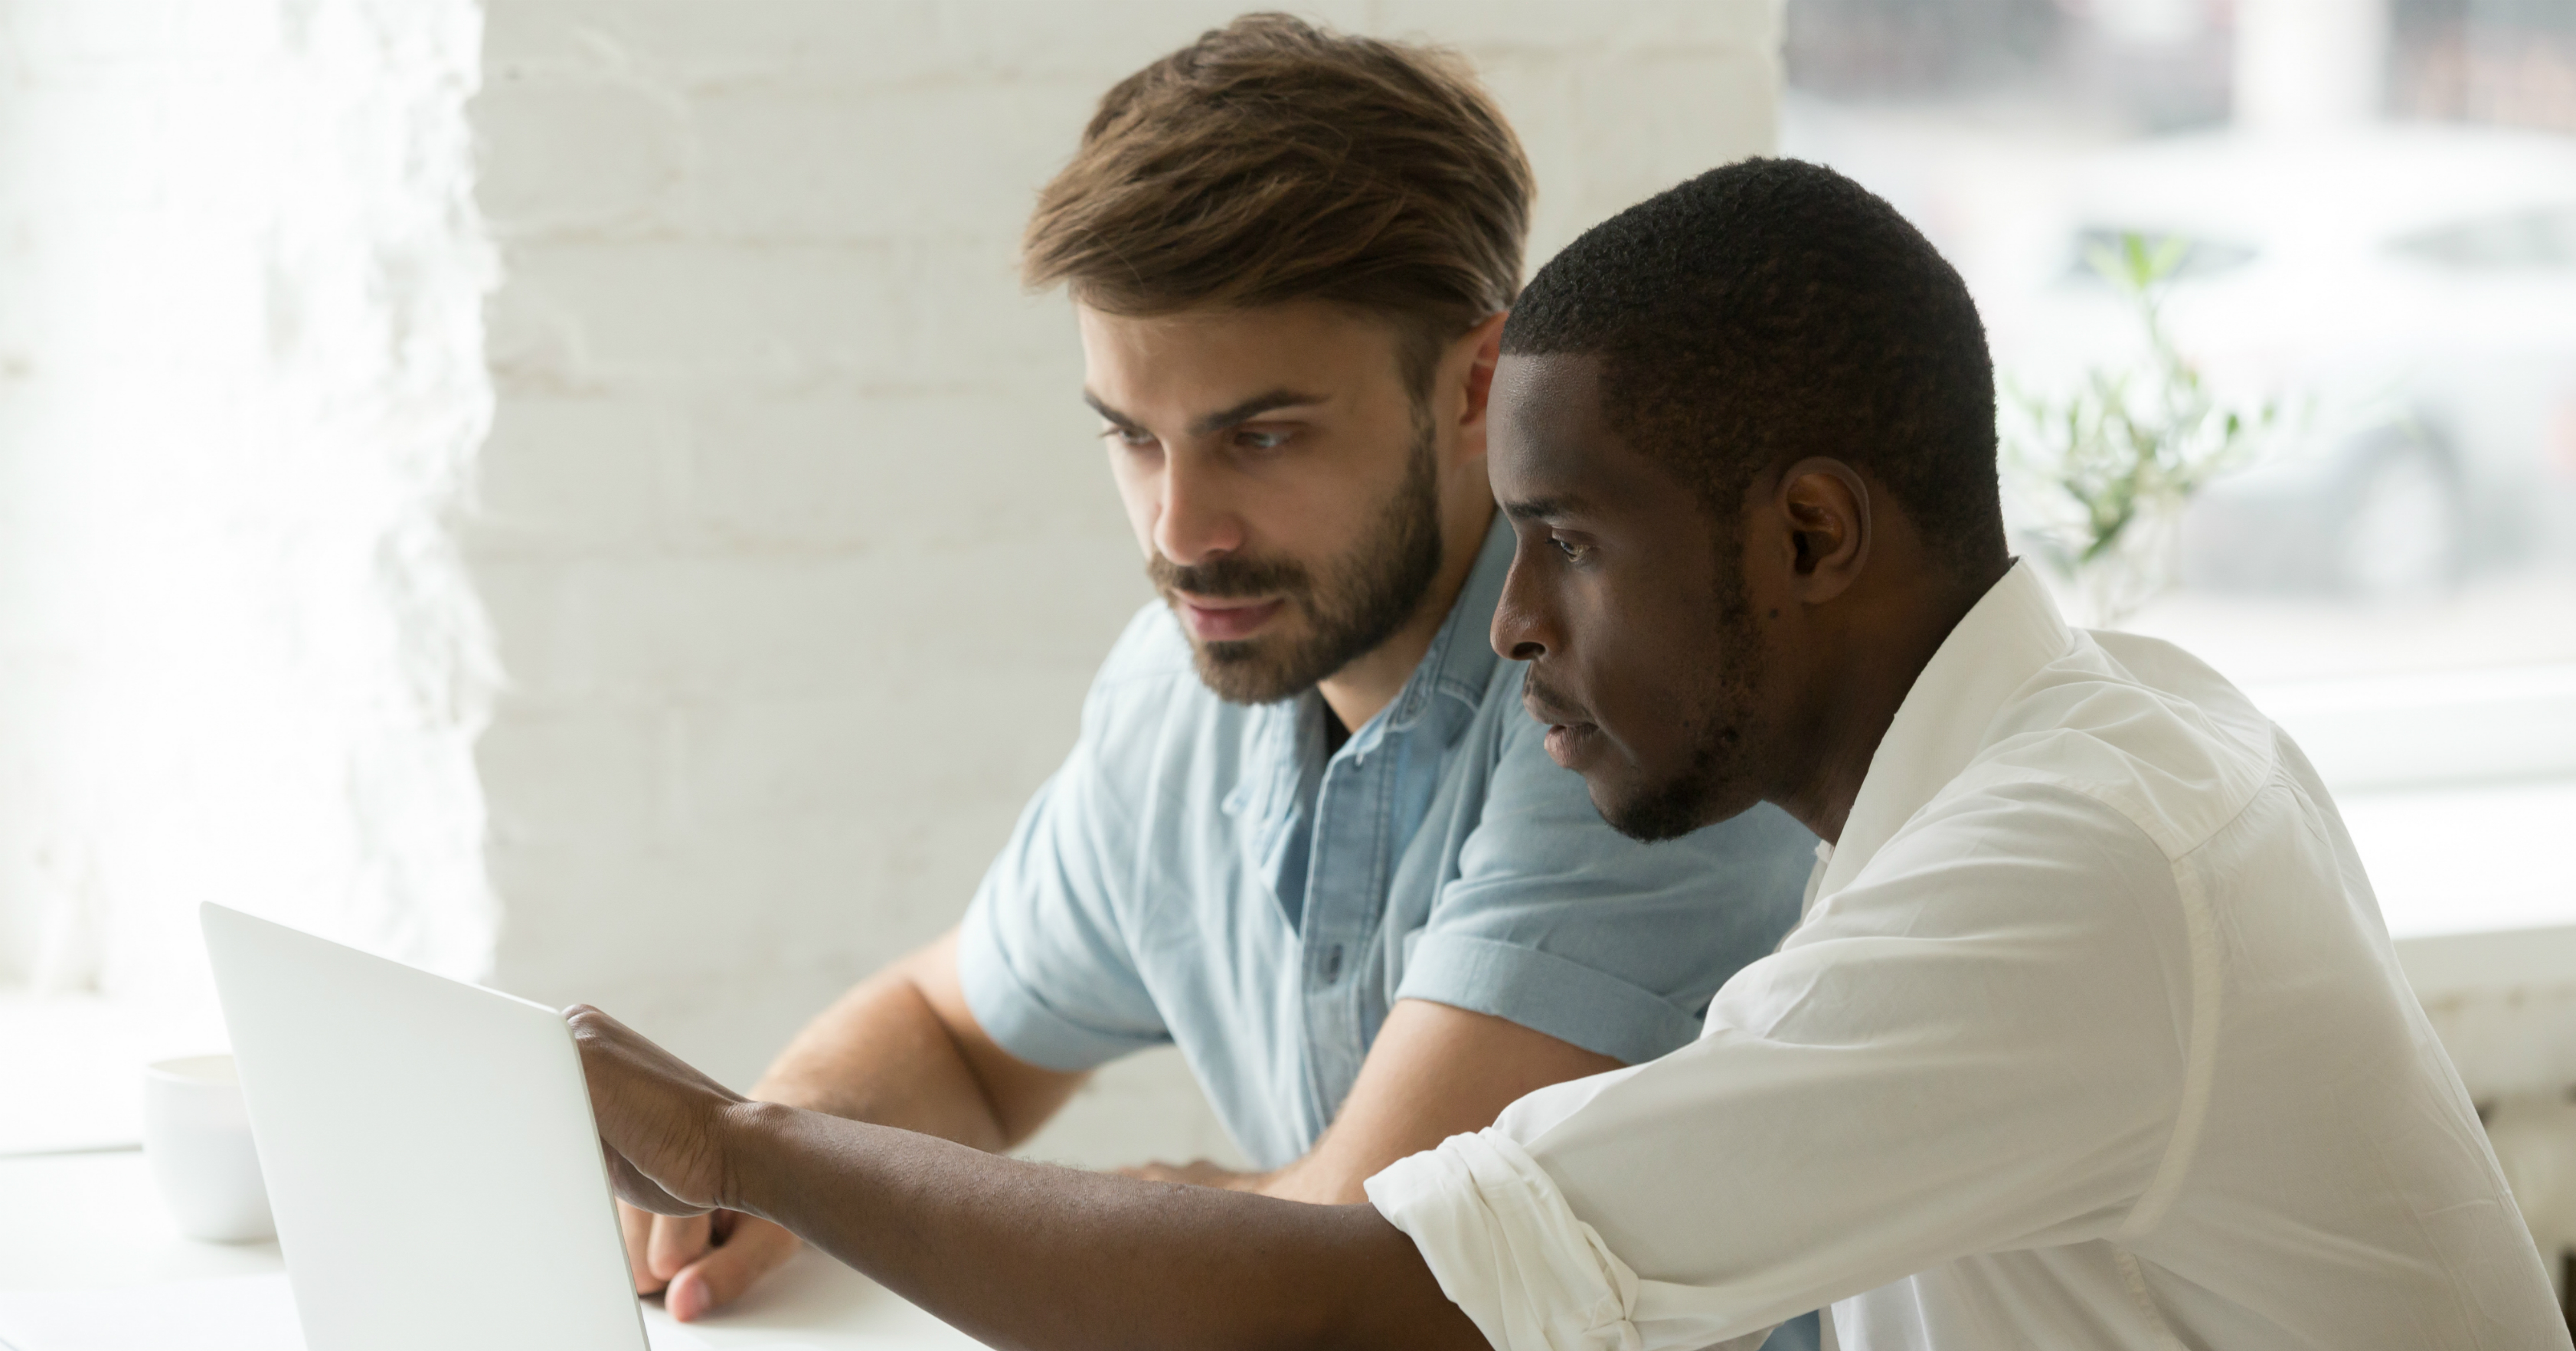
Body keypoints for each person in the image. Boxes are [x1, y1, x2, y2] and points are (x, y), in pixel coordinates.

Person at [571, 156, 2569, 1349]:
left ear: (1806, 536)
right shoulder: (2045, 768)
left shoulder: (2077, 869)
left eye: (1572, 546)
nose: (1513, 623)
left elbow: (1358, 1304)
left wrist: (746, 1147)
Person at [615, 14, 1818, 1335]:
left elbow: (1362, 1276)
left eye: (1261, 435)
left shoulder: (1633, 711)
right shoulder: (1180, 694)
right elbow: (953, 1035)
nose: (1181, 533)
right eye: (1134, 437)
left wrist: (1229, 1216)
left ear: (1482, 385)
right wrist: (754, 1174)